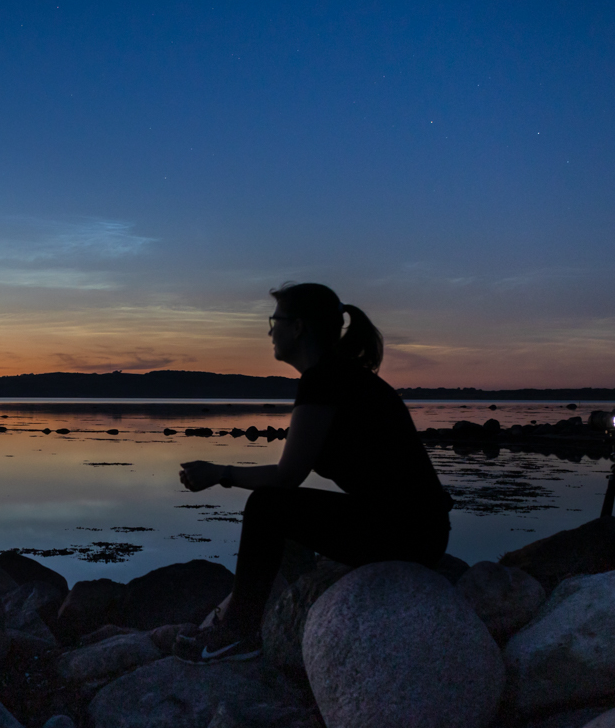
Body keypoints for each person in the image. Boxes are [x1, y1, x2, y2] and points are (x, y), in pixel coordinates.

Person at [173, 282, 452, 663]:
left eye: (275, 320)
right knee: (280, 512)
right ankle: (245, 612)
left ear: (299, 327)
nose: (270, 330)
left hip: (410, 533)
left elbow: (288, 477)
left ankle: (238, 632)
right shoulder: (337, 376)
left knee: (268, 506)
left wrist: (219, 472)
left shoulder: (326, 380)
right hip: (415, 528)